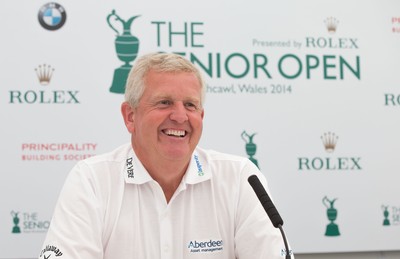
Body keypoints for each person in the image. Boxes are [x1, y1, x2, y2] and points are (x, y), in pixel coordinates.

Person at [38, 52, 291, 259]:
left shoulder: (240, 178)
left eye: (190, 105)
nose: (180, 116)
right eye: (164, 103)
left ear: (201, 117)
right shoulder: (91, 181)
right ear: (130, 116)